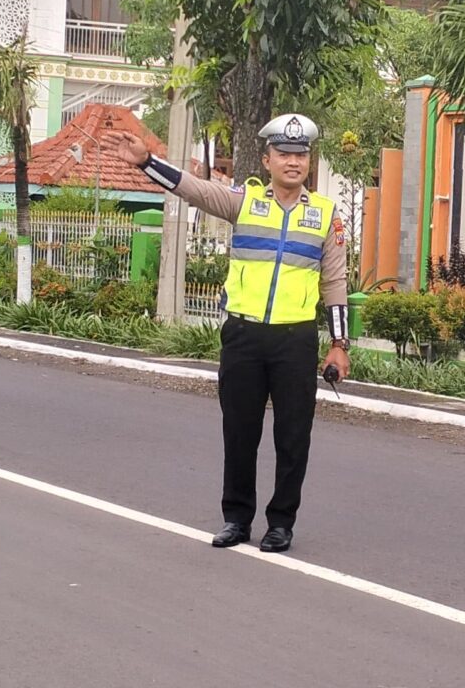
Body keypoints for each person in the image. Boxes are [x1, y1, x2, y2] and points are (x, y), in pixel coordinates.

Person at [100, 113, 349, 553]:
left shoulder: (326, 216)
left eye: (301, 155)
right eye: (284, 155)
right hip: (244, 338)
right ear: (267, 160)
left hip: (295, 340)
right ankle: (236, 519)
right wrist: (146, 163)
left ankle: (281, 523)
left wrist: (338, 345)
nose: (293, 162)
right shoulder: (244, 201)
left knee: (293, 437)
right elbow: (194, 189)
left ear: (309, 162)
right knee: (240, 432)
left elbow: (335, 282)